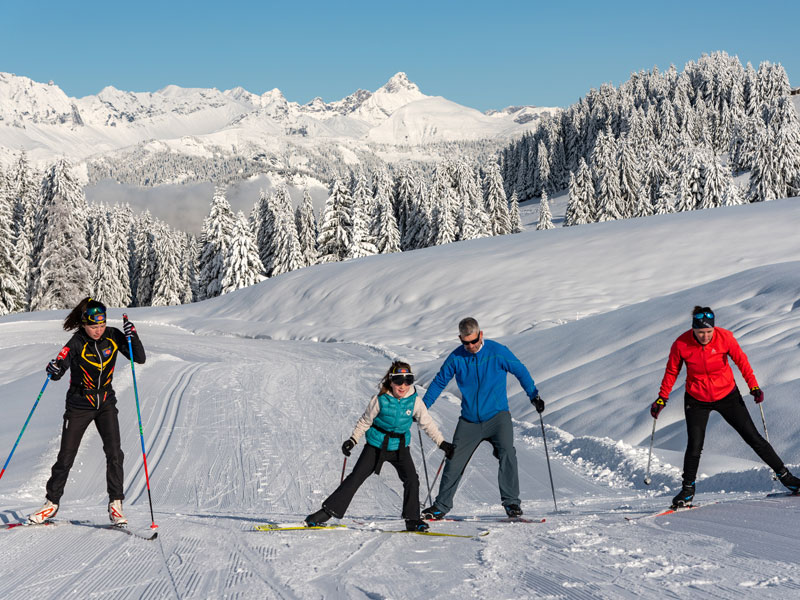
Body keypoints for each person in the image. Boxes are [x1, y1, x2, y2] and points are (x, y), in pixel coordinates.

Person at [651, 306, 800, 508]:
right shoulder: (681, 344)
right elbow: (671, 372)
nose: (705, 336)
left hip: (727, 395)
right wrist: (662, 398)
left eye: (709, 332)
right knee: (695, 445)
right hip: (697, 399)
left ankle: (787, 478)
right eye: (700, 332)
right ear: (693, 329)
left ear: (714, 328)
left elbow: (742, 361)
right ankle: (687, 490)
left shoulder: (725, 338)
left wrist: (753, 386)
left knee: (753, 437)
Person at [27, 298, 146, 526]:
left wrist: (133, 336)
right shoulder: (76, 342)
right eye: (93, 327)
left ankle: (116, 504)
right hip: (79, 404)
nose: (98, 331)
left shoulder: (112, 335)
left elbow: (139, 358)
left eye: (101, 326)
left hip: (105, 403)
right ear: (84, 324)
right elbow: (57, 370)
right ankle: (51, 504)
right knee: (66, 456)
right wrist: (52, 368)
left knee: (115, 453)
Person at [305, 361, 454, 532]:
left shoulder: (415, 401)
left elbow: (428, 424)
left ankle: (413, 520)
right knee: (356, 478)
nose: (403, 385)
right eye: (398, 380)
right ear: (391, 381)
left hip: (400, 447)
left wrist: (442, 444)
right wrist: (352, 440)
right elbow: (365, 421)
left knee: (412, 479)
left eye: (408, 380)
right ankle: (324, 513)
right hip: (376, 445)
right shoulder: (379, 400)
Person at [421, 317, 543, 520]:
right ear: (460, 339)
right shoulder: (456, 357)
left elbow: (520, 371)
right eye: (465, 342)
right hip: (469, 420)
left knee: (507, 453)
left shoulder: (497, 351)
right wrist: (423, 408)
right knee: (453, 460)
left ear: (481, 335)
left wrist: (534, 395)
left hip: (498, 417)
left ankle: (512, 503)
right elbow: (439, 382)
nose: (470, 346)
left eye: (473, 341)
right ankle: (440, 507)